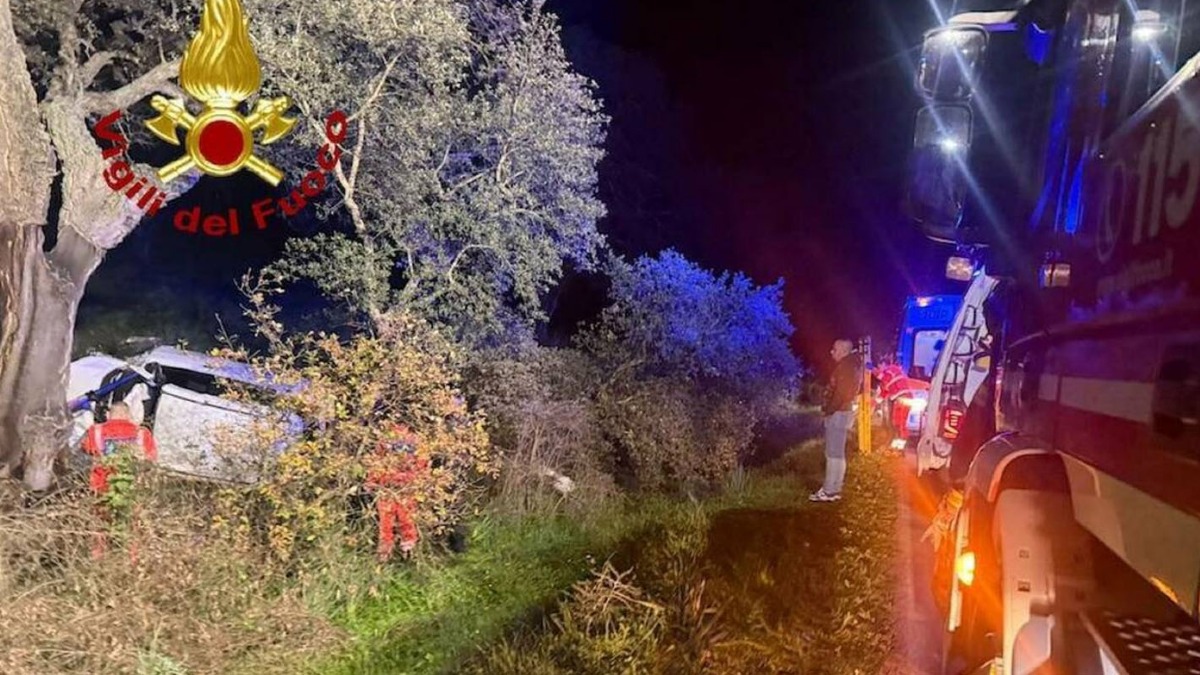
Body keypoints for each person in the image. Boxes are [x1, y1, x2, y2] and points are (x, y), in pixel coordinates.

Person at [80, 401, 158, 558]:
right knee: (132, 529)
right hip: (131, 489)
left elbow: (86, 449)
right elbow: (151, 459)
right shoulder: (142, 434)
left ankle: (97, 560)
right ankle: (130, 562)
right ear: (129, 415)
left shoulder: (96, 431)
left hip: (101, 489)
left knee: (99, 528)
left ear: (108, 415)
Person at [366, 424, 429, 561]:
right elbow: (377, 461)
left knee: (404, 519)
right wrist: (372, 480)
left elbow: (423, 464)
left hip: (404, 487)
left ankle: (406, 551)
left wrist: (418, 481)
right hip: (389, 486)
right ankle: (389, 551)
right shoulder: (386, 439)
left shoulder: (415, 441)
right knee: (388, 520)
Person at [810, 339, 861, 503]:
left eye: (834, 350)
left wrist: (828, 410)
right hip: (842, 413)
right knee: (837, 453)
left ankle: (829, 490)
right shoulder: (852, 365)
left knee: (833, 454)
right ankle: (834, 489)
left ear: (844, 351)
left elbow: (840, 394)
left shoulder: (846, 367)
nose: (832, 352)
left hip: (838, 414)